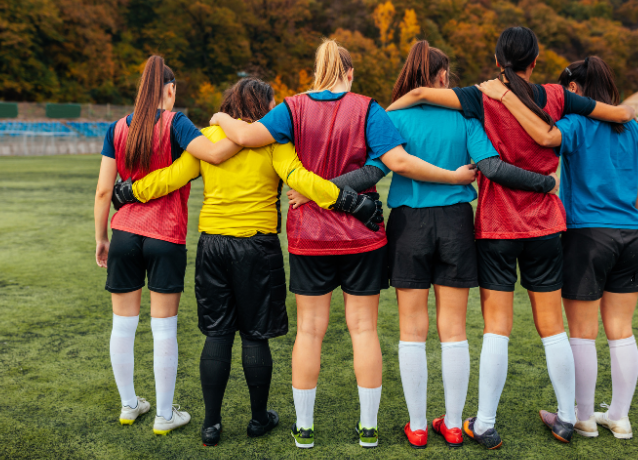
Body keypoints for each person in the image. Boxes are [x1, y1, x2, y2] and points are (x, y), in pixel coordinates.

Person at [287, 40, 560, 449]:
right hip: (455, 224)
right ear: (443, 77)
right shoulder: (465, 118)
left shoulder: (390, 117)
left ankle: (416, 426)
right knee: (454, 330)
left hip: (408, 226)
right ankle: (452, 424)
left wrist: (316, 189)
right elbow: (489, 166)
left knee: (412, 330)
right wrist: (544, 182)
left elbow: (376, 167)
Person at [209, 38, 477, 449]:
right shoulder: (368, 108)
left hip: (309, 237)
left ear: (317, 72)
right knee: (364, 330)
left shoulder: (293, 108)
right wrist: (454, 177)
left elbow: (244, 137)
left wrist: (218, 117)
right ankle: (368, 428)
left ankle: (304, 428)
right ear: (350, 74)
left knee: (309, 332)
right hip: (361, 236)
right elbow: (390, 164)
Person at [387, 27, 635, 448]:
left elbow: (421, 94)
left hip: (497, 226)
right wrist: (621, 115)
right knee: (553, 328)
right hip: (546, 225)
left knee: (496, 329)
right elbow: (620, 114)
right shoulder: (556, 96)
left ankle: (484, 422)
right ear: (535, 61)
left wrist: (383, 113)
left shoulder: (479, 96)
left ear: (497, 60)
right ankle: (567, 418)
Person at [111, 77, 383, 446]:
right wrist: (351, 202)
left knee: (218, 333)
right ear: (263, 105)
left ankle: (211, 425)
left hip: (213, 245)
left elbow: (171, 178)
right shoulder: (273, 140)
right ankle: (258, 419)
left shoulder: (208, 137)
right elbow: (301, 179)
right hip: (257, 246)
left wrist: (130, 191)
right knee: (255, 334)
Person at [477, 56, 638, 440]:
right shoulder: (632, 127)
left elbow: (544, 137)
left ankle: (583, 417)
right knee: (622, 330)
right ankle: (619, 418)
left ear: (572, 88)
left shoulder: (576, 122)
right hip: (632, 235)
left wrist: (505, 96)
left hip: (588, 234)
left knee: (582, 331)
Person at [93, 55, 245, 436]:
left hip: (124, 234)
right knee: (164, 329)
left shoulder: (116, 128)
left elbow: (103, 191)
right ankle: (164, 415)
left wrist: (101, 237)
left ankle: (129, 405)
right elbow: (215, 154)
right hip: (165, 235)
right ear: (171, 90)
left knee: (122, 326)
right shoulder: (176, 123)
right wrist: (246, 133)